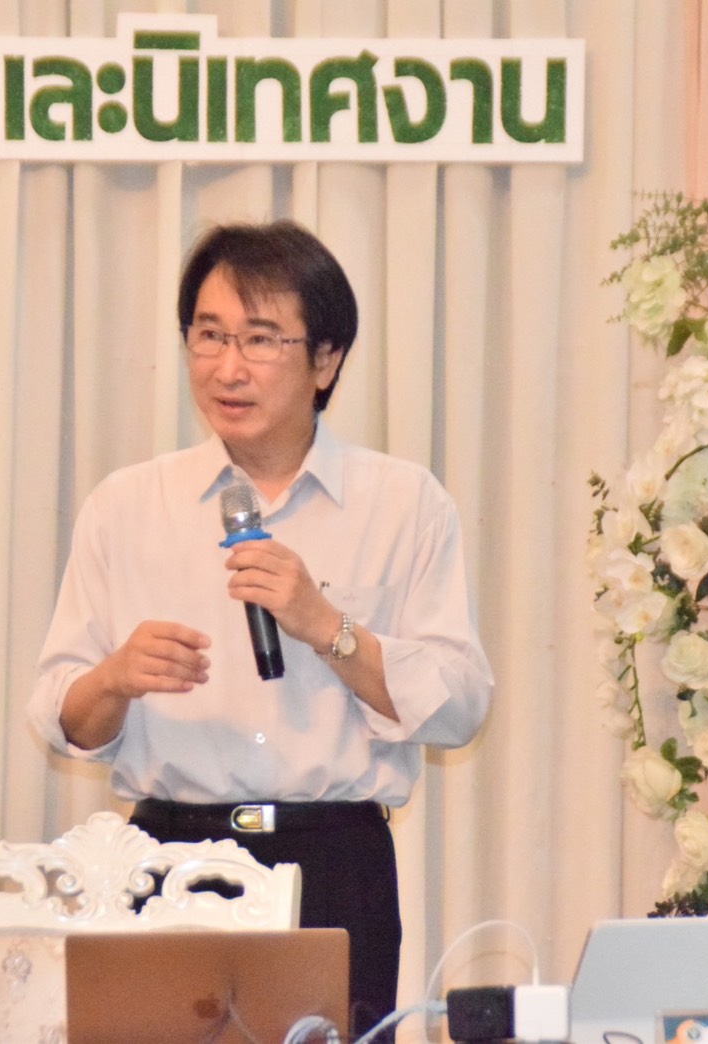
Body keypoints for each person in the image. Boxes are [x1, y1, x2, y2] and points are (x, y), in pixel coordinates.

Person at [28, 219, 493, 1036]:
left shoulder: (403, 503)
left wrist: (328, 626)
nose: (228, 367)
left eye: (260, 339)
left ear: (326, 359)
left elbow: (458, 707)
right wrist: (114, 679)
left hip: (335, 863)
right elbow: (63, 719)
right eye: (209, 336)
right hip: (167, 860)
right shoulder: (126, 506)